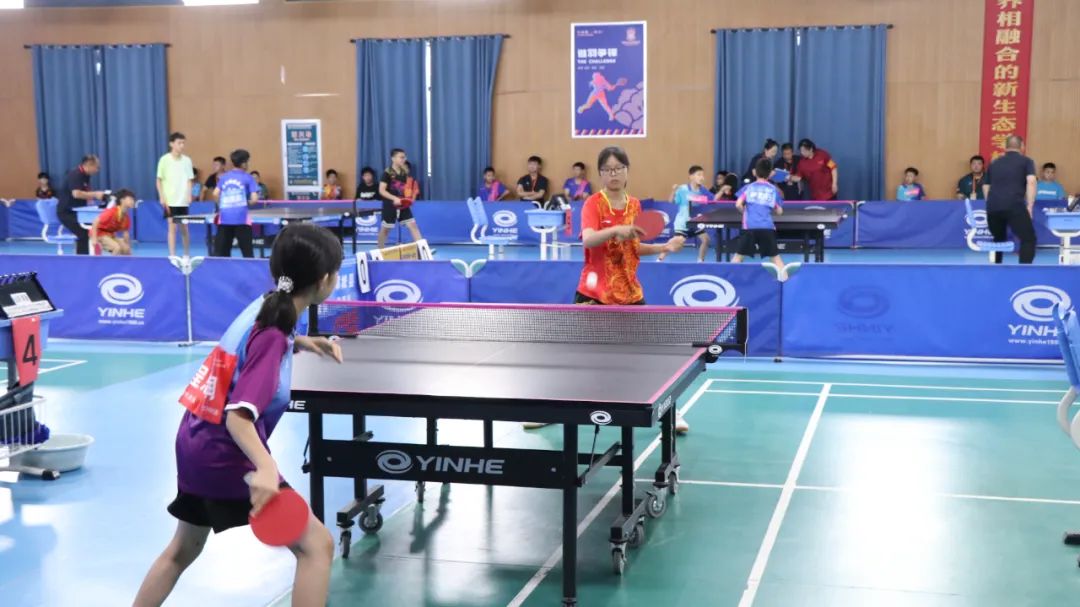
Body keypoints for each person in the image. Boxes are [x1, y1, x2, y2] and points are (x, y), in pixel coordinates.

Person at [133, 224, 342, 607]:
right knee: (317, 546)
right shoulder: (273, 336)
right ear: (324, 280)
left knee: (182, 550)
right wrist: (265, 467)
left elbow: (256, 342)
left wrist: (302, 342)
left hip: (194, 438)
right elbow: (239, 417)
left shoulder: (269, 305)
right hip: (225, 451)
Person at [527, 146, 687, 432]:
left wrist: (664, 246)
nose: (614, 174)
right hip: (593, 294)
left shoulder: (635, 205)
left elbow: (633, 248)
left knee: (651, 356)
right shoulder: (593, 204)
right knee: (573, 359)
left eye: (618, 168)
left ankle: (670, 412)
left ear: (627, 171)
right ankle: (550, 410)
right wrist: (615, 231)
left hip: (629, 293)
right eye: (608, 169)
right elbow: (588, 240)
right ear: (600, 174)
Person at [983, 135, 1037, 264]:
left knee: (998, 239)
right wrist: (1030, 206)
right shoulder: (1026, 161)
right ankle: (1024, 270)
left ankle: (996, 267)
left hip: (993, 207)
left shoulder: (994, 162)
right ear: (1022, 146)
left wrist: (990, 203)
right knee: (1028, 239)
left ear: (1005, 147)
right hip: (1015, 205)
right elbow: (1031, 182)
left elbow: (985, 186)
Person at [732, 157, 786, 280]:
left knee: (738, 257)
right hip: (767, 227)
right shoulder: (773, 189)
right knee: (775, 258)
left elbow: (738, 204)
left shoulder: (748, 187)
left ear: (755, 172)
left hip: (749, 227)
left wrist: (744, 212)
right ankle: (785, 281)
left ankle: (729, 280)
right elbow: (779, 211)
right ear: (770, 173)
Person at [212, 149, 259, 258]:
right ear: (243, 163)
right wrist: (247, 203)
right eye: (247, 161)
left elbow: (215, 194)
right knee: (247, 254)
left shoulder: (224, 177)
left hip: (225, 219)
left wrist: (222, 205)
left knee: (222, 254)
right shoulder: (248, 177)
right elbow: (254, 199)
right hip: (242, 220)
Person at [56, 154, 106, 255]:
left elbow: (85, 192)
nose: (97, 170)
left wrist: (91, 199)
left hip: (78, 212)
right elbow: (76, 194)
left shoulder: (85, 175)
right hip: (67, 213)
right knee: (84, 233)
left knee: (94, 229)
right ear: (89, 165)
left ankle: (90, 255)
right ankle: (82, 259)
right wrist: (95, 194)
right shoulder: (76, 175)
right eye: (97, 167)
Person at [377, 148, 425, 249]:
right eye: (401, 157)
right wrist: (394, 198)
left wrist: (407, 199)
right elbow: (381, 190)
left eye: (404, 157)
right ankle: (379, 250)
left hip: (402, 204)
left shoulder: (404, 173)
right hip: (390, 205)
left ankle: (423, 249)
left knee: (413, 225)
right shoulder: (387, 173)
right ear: (393, 158)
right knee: (385, 229)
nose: (404, 159)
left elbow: (403, 189)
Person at [157, 132, 195, 258]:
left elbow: (189, 180)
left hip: (183, 200)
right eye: (179, 143)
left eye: (183, 143)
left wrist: (189, 195)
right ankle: (172, 255)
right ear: (171, 144)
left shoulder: (187, 160)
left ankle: (186, 254)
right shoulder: (164, 160)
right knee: (172, 228)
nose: (182, 145)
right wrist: (162, 196)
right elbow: (159, 180)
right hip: (170, 200)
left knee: (184, 228)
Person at [671, 165, 713, 263]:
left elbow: (713, 200)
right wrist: (673, 191)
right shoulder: (682, 189)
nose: (702, 177)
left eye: (702, 175)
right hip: (683, 223)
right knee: (675, 245)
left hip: (695, 221)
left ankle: (700, 261)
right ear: (691, 177)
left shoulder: (703, 190)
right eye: (699, 175)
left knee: (706, 239)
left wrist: (722, 191)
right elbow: (672, 201)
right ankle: (660, 259)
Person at [91, 188, 135, 256]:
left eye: (133, 200)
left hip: (110, 235)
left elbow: (126, 234)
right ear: (122, 200)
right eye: (130, 199)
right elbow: (95, 222)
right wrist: (94, 239)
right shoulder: (111, 212)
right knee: (116, 248)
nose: (133, 201)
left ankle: (123, 263)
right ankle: (112, 263)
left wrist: (128, 249)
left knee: (126, 248)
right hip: (99, 234)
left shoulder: (126, 217)